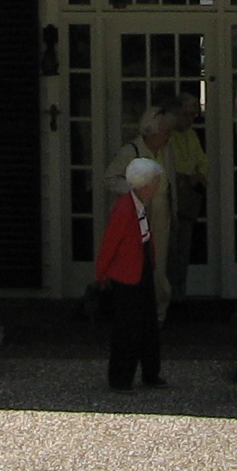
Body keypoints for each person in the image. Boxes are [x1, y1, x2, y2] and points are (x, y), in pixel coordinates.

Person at [95, 156, 170, 391]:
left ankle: (150, 373)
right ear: (145, 184)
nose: (157, 186)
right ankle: (120, 378)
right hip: (126, 275)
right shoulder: (124, 209)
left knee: (148, 325)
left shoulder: (137, 205)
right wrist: (101, 273)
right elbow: (109, 243)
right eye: (155, 182)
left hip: (140, 269)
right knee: (127, 329)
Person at [105, 106, 185, 320]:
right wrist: (136, 193)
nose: (168, 137)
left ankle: (159, 312)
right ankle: (141, 310)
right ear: (152, 132)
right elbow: (110, 178)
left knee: (159, 262)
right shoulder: (131, 151)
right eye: (165, 132)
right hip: (139, 213)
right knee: (140, 261)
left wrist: (173, 210)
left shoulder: (166, 151)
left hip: (161, 211)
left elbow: (170, 183)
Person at [167, 93, 211, 296]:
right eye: (185, 115)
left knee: (183, 247)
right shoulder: (166, 135)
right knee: (170, 249)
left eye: (193, 115)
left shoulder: (191, 135)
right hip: (168, 197)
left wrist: (199, 175)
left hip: (188, 198)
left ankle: (180, 291)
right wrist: (184, 177)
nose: (189, 120)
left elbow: (202, 160)